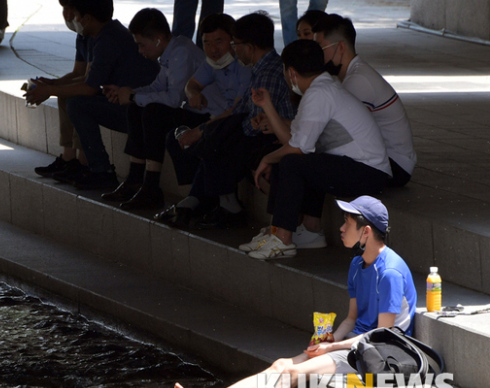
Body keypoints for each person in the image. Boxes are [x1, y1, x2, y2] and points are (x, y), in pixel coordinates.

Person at [173, 195, 417, 388]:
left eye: (348, 223)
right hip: (355, 343)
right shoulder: (356, 265)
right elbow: (352, 318)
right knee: (281, 364)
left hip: (378, 352)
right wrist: (329, 339)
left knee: (293, 372)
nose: (341, 228)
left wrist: (331, 348)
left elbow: (382, 333)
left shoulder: (389, 273)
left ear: (366, 231)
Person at [241, 40, 391, 260]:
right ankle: (308, 231)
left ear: (291, 72)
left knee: (292, 162)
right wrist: (268, 106)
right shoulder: (321, 88)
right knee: (299, 159)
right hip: (362, 168)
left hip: (369, 172)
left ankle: (282, 239)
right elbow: (295, 142)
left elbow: (296, 149)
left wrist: (267, 158)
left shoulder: (318, 94)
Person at [159, 12, 295, 230]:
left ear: (249, 47)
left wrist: (214, 131)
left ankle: (224, 206)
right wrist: (210, 129)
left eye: (236, 43)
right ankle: (210, 202)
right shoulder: (261, 69)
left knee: (221, 140)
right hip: (257, 130)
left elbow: (252, 122)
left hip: (274, 138)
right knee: (217, 134)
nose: (234, 48)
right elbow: (242, 110)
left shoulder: (266, 73)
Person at [26, 0, 160, 191]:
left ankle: (100, 170)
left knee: (78, 105)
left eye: (74, 14)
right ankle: (77, 162)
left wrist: (49, 90)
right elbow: (86, 79)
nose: (72, 18)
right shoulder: (103, 34)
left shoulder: (108, 39)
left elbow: (89, 88)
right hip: (130, 104)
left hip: (140, 111)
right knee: (73, 99)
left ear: (87, 18)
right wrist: (52, 86)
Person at [100, 8, 206, 211]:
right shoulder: (171, 51)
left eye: (141, 44)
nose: (140, 51)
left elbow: (174, 98)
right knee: (136, 108)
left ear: (158, 39)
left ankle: (151, 186)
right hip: (191, 110)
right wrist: (129, 93)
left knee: (153, 112)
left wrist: (133, 96)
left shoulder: (180, 53)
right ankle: (135, 178)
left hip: (204, 114)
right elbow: (157, 87)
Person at [158, 12, 250, 222]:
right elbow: (191, 84)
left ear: (233, 41)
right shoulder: (212, 64)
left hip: (243, 123)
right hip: (221, 120)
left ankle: (223, 205)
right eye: (207, 43)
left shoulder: (244, 66)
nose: (213, 49)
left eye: (219, 41)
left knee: (211, 141)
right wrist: (194, 94)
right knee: (174, 135)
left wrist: (200, 131)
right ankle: (199, 197)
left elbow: (238, 111)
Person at [313, 15, 416, 187]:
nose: (315, 56)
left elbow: (336, 131)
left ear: (340, 47)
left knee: (309, 163)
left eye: (320, 48)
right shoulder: (352, 75)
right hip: (388, 159)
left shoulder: (358, 80)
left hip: (395, 165)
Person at [32, 0, 91, 180]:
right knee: (64, 95)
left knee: (74, 98)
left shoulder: (98, 37)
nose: (66, 15)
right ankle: (68, 157)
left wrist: (52, 89)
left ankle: (83, 162)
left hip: (106, 91)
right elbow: (77, 72)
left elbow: (89, 80)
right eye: (63, 9)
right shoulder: (82, 37)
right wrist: (52, 84)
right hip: (93, 84)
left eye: (70, 10)